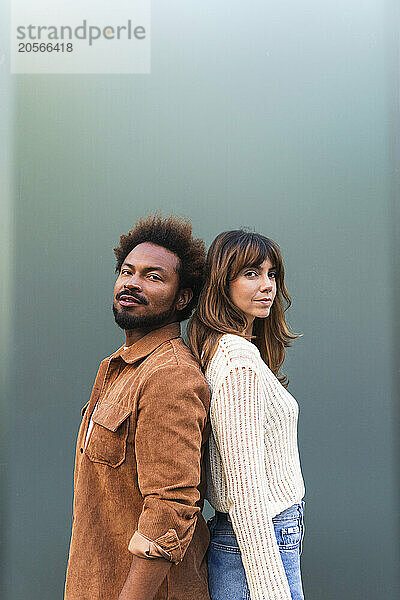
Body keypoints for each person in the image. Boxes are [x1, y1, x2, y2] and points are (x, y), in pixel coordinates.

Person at [64, 215, 211, 600]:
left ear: (183, 299)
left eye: (153, 276)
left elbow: (172, 506)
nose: (132, 282)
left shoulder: (170, 376)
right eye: (127, 271)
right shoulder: (120, 368)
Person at [188, 230, 306, 600]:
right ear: (223, 284)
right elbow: (245, 492)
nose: (267, 285)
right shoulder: (238, 360)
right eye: (251, 273)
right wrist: (273, 591)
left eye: (272, 274)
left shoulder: (227, 351)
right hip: (257, 540)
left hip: (253, 541)